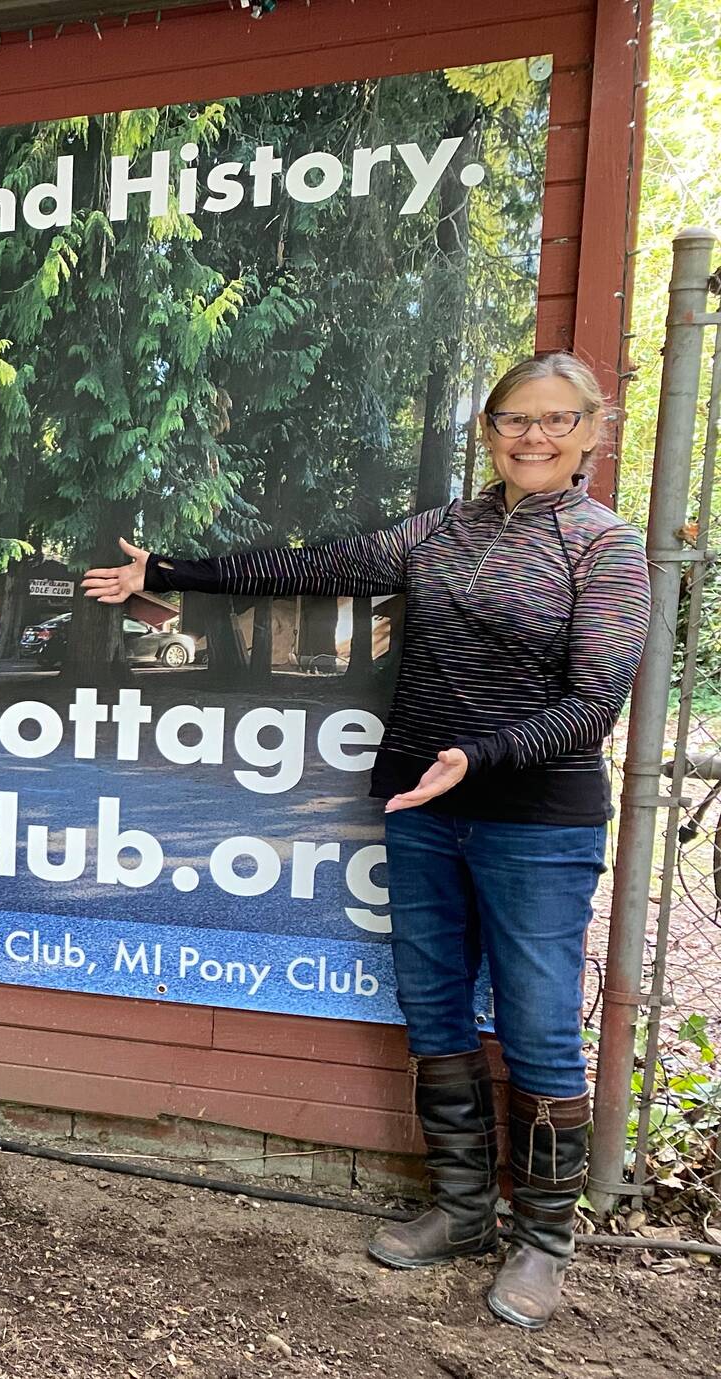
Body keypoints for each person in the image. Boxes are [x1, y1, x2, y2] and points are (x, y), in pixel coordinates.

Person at [81, 352, 649, 1330]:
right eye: (513, 418)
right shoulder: (439, 533)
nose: (532, 436)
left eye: (556, 421)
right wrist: (164, 571)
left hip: (536, 821)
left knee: (537, 1025)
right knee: (430, 1004)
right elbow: (313, 568)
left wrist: (480, 755)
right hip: (421, 811)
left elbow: (595, 698)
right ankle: (463, 1209)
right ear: (489, 429)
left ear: (591, 432)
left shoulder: (604, 547)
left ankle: (543, 1241)